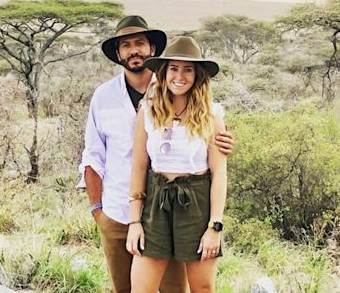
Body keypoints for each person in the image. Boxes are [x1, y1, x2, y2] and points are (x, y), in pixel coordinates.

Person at [79, 16, 234, 293]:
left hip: (180, 206)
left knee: (180, 288)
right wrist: (97, 211)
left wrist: (215, 225)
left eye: (139, 43)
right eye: (126, 45)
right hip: (119, 209)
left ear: (152, 49)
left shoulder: (196, 105)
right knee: (126, 287)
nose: (133, 50)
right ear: (118, 53)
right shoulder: (108, 98)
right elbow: (93, 155)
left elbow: (216, 165)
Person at [126, 36, 227, 293]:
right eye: (173, 68)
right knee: (141, 288)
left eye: (188, 69)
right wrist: (134, 222)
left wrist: (214, 226)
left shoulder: (212, 114)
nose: (179, 76)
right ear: (163, 72)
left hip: (196, 202)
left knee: (202, 288)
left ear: (197, 75)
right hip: (156, 202)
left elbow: (219, 175)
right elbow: (139, 167)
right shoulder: (147, 111)